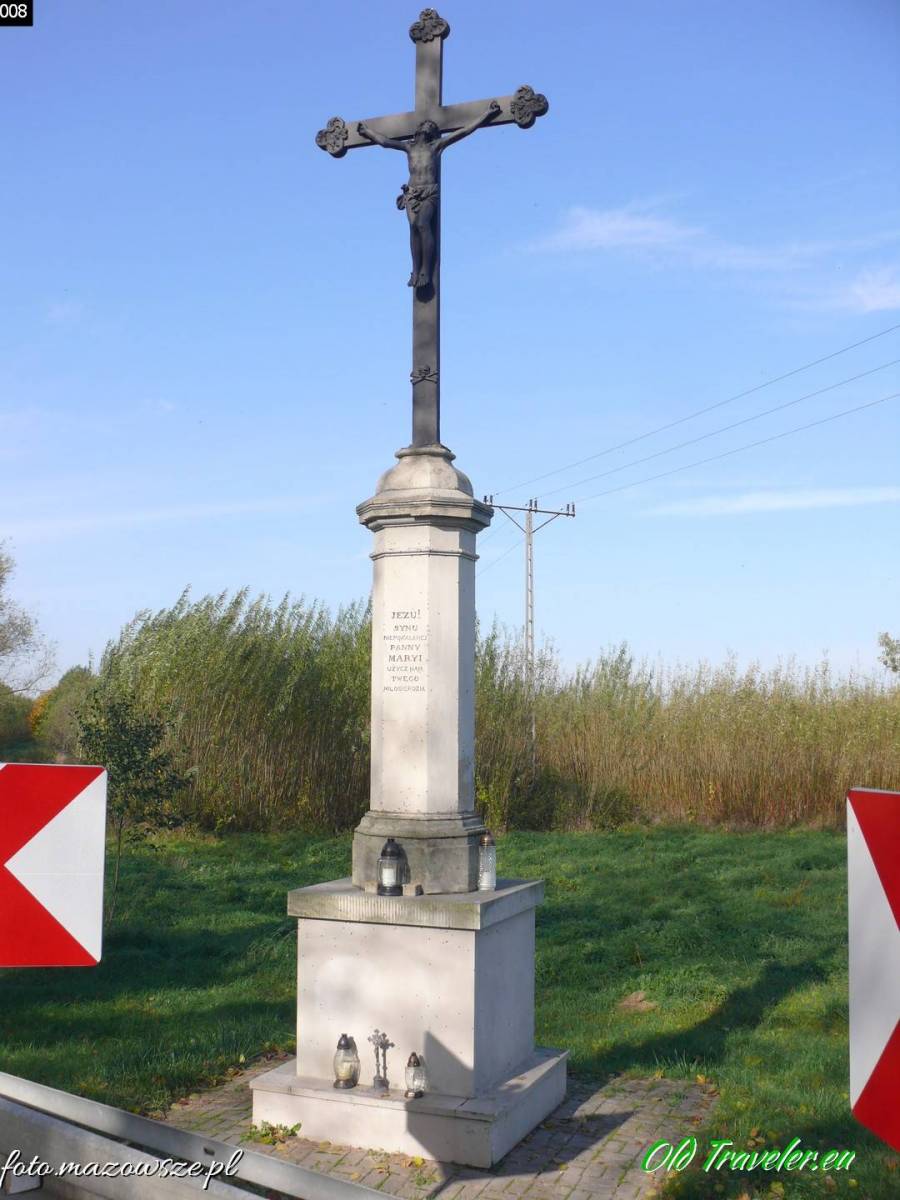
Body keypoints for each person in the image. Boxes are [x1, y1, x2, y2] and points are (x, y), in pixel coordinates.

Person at [358, 101, 501, 289]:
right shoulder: (408, 148)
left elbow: (464, 131)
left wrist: (486, 114)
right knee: (413, 228)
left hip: (429, 192)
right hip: (412, 193)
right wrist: (367, 132)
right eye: (425, 124)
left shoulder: (435, 146)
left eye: (431, 126)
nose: (428, 126)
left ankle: (426, 270)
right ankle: (415, 270)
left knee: (422, 224)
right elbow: (385, 142)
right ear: (418, 130)